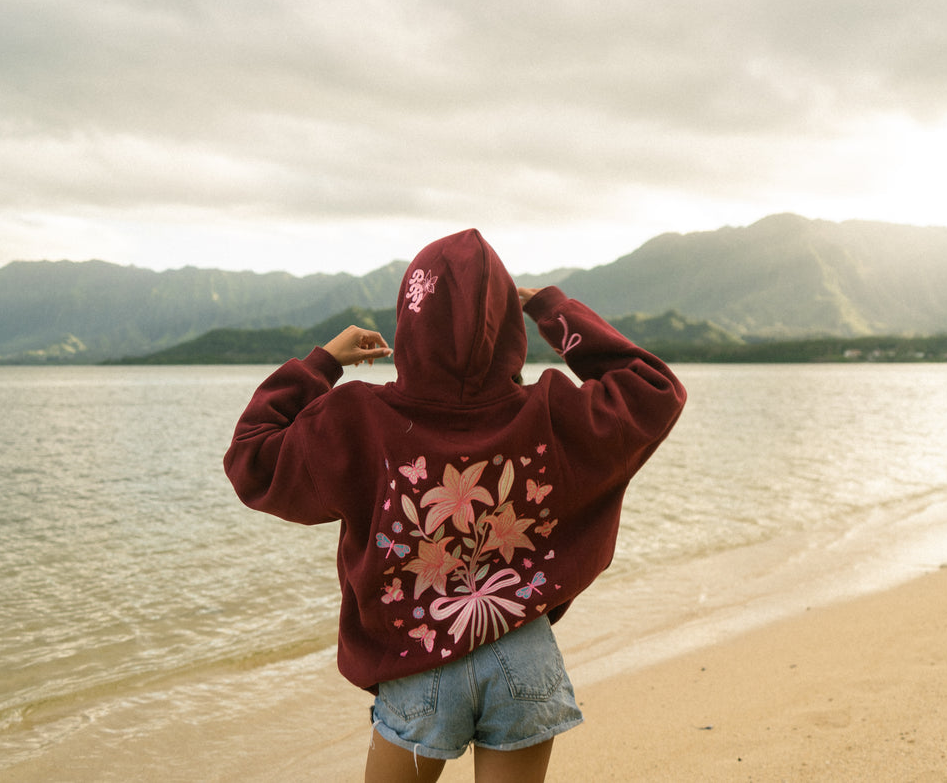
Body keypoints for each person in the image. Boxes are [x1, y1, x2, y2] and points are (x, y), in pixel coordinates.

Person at [223, 229, 686, 782]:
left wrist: (321, 363)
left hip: (413, 657)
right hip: (523, 652)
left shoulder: (357, 419)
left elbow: (251, 458)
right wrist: (550, 307)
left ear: (410, 322)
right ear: (506, 328)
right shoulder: (548, 411)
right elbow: (654, 389)